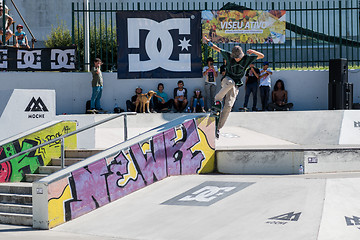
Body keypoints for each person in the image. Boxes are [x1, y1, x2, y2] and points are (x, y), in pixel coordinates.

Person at [203, 36, 264, 137]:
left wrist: (253, 51)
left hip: (236, 85)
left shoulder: (247, 59)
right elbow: (217, 48)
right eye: (235, 58)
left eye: (238, 58)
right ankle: (217, 98)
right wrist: (208, 42)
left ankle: (217, 128)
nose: (236, 59)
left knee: (228, 106)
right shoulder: (228, 56)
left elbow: (262, 56)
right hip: (227, 80)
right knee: (230, 83)